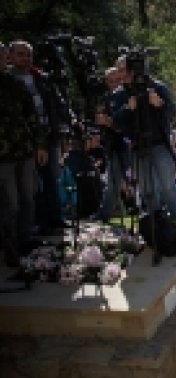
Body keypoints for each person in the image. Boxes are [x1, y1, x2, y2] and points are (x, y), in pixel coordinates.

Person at [111, 55, 176, 225]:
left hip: (159, 143)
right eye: (120, 70)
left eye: (125, 69)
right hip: (137, 146)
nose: (123, 74)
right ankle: (156, 225)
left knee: (168, 186)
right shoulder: (120, 94)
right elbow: (115, 122)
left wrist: (159, 104)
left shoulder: (157, 87)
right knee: (147, 190)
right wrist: (127, 109)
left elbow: (172, 113)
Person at [8, 40, 70, 234]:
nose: (25, 58)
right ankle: (36, 222)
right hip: (23, 140)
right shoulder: (8, 80)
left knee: (52, 177)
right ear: (10, 56)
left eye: (28, 54)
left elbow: (57, 104)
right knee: (30, 185)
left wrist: (65, 127)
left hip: (48, 134)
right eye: (20, 54)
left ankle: (55, 218)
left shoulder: (42, 78)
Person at [0, 41, 47, 279]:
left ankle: (26, 239)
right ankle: (11, 246)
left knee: (28, 196)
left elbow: (31, 116)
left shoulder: (14, 85)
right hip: (3, 158)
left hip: (25, 151)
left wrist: (39, 145)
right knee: (11, 203)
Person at [94, 66, 132, 223]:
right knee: (114, 182)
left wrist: (112, 122)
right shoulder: (104, 100)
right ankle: (104, 215)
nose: (115, 83)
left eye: (117, 80)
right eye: (111, 81)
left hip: (131, 143)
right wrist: (111, 123)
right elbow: (100, 121)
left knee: (141, 179)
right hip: (113, 145)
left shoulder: (129, 95)